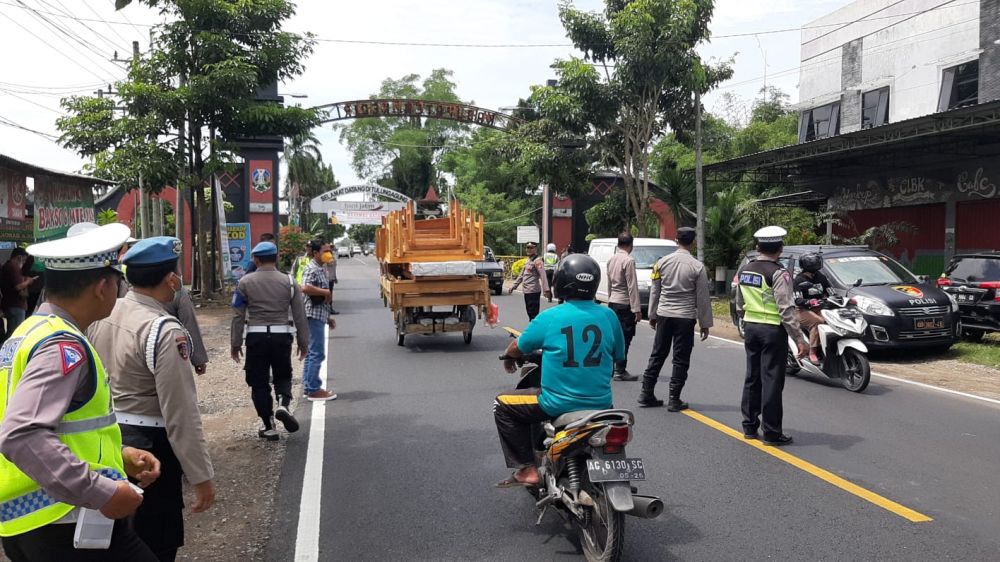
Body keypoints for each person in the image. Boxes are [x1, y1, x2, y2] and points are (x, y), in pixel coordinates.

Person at [0, 223, 162, 561]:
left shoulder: (27, 333)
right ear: (102, 287)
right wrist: (101, 491)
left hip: (30, 523)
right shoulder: (63, 347)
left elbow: (61, 423)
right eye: (118, 282)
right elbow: (21, 433)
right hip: (67, 523)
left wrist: (120, 455)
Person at [88, 236, 215, 562]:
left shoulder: (104, 314)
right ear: (171, 279)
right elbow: (181, 412)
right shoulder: (164, 330)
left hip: (108, 440)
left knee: (116, 541)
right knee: (155, 542)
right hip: (150, 446)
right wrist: (201, 476)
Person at [493, 254, 625, 487]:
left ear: (561, 283)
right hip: (602, 404)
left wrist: (509, 355)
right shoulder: (609, 316)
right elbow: (618, 355)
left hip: (556, 403)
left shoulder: (550, 317)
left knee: (502, 405)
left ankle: (527, 470)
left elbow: (518, 346)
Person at [734, 226, 808, 446]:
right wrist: (799, 339)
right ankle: (772, 432)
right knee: (772, 381)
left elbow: (739, 301)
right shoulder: (779, 273)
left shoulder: (746, 270)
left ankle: (749, 426)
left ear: (758, 247)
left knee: (752, 377)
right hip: (772, 331)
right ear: (780, 249)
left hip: (751, 328)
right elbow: (786, 309)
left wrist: (745, 320)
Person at [231, 241, 309, 440]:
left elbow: (238, 315)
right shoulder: (290, 282)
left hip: (256, 337)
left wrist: (235, 343)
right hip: (281, 336)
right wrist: (303, 342)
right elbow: (300, 315)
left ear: (256, 260)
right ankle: (283, 405)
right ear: (276, 258)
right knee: (283, 374)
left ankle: (269, 426)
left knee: (258, 381)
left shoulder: (244, 282)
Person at [639, 227, 713, 410]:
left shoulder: (661, 263)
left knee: (658, 353)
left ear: (676, 240)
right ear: (693, 242)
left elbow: (655, 291)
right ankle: (674, 398)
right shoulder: (697, 266)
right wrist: (705, 323)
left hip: (664, 314)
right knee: (681, 358)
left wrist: (652, 314)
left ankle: (646, 393)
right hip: (685, 317)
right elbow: (702, 298)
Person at [300, 239, 338, 401]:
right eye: (325, 251)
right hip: (312, 314)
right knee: (317, 353)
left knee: (311, 353)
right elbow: (305, 287)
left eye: (329, 251)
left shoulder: (322, 268)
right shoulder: (312, 268)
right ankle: (314, 389)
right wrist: (324, 292)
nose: (328, 254)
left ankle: (309, 386)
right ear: (315, 253)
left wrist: (328, 317)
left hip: (319, 314)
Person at [605, 233, 641, 382]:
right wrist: (636, 309)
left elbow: (609, 283)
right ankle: (620, 370)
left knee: (614, 337)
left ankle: (611, 368)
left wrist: (610, 300)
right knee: (625, 337)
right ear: (631, 245)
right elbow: (632, 286)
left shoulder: (611, 260)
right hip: (625, 304)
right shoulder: (628, 260)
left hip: (613, 302)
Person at [793, 253, 834, 363]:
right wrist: (809, 301)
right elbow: (797, 300)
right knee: (817, 322)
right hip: (801, 310)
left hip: (819, 307)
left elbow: (831, 292)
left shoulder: (821, 277)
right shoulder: (799, 280)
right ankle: (812, 352)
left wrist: (842, 300)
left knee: (832, 320)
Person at [1, 248, 37, 341]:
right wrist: (29, 281)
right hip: (16, 305)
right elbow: (18, 286)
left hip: (9, 304)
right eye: (24, 260)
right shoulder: (13, 267)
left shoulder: (7, 266)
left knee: (12, 331)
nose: (24, 263)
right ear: (19, 257)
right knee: (16, 334)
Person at [509, 242, 551, 321]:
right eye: (527, 247)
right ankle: (533, 326)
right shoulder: (528, 260)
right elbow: (522, 275)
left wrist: (546, 289)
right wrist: (513, 286)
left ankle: (535, 328)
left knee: (533, 314)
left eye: (531, 248)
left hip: (533, 291)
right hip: (527, 291)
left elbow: (543, 275)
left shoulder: (538, 261)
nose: (529, 249)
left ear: (535, 249)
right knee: (529, 313)